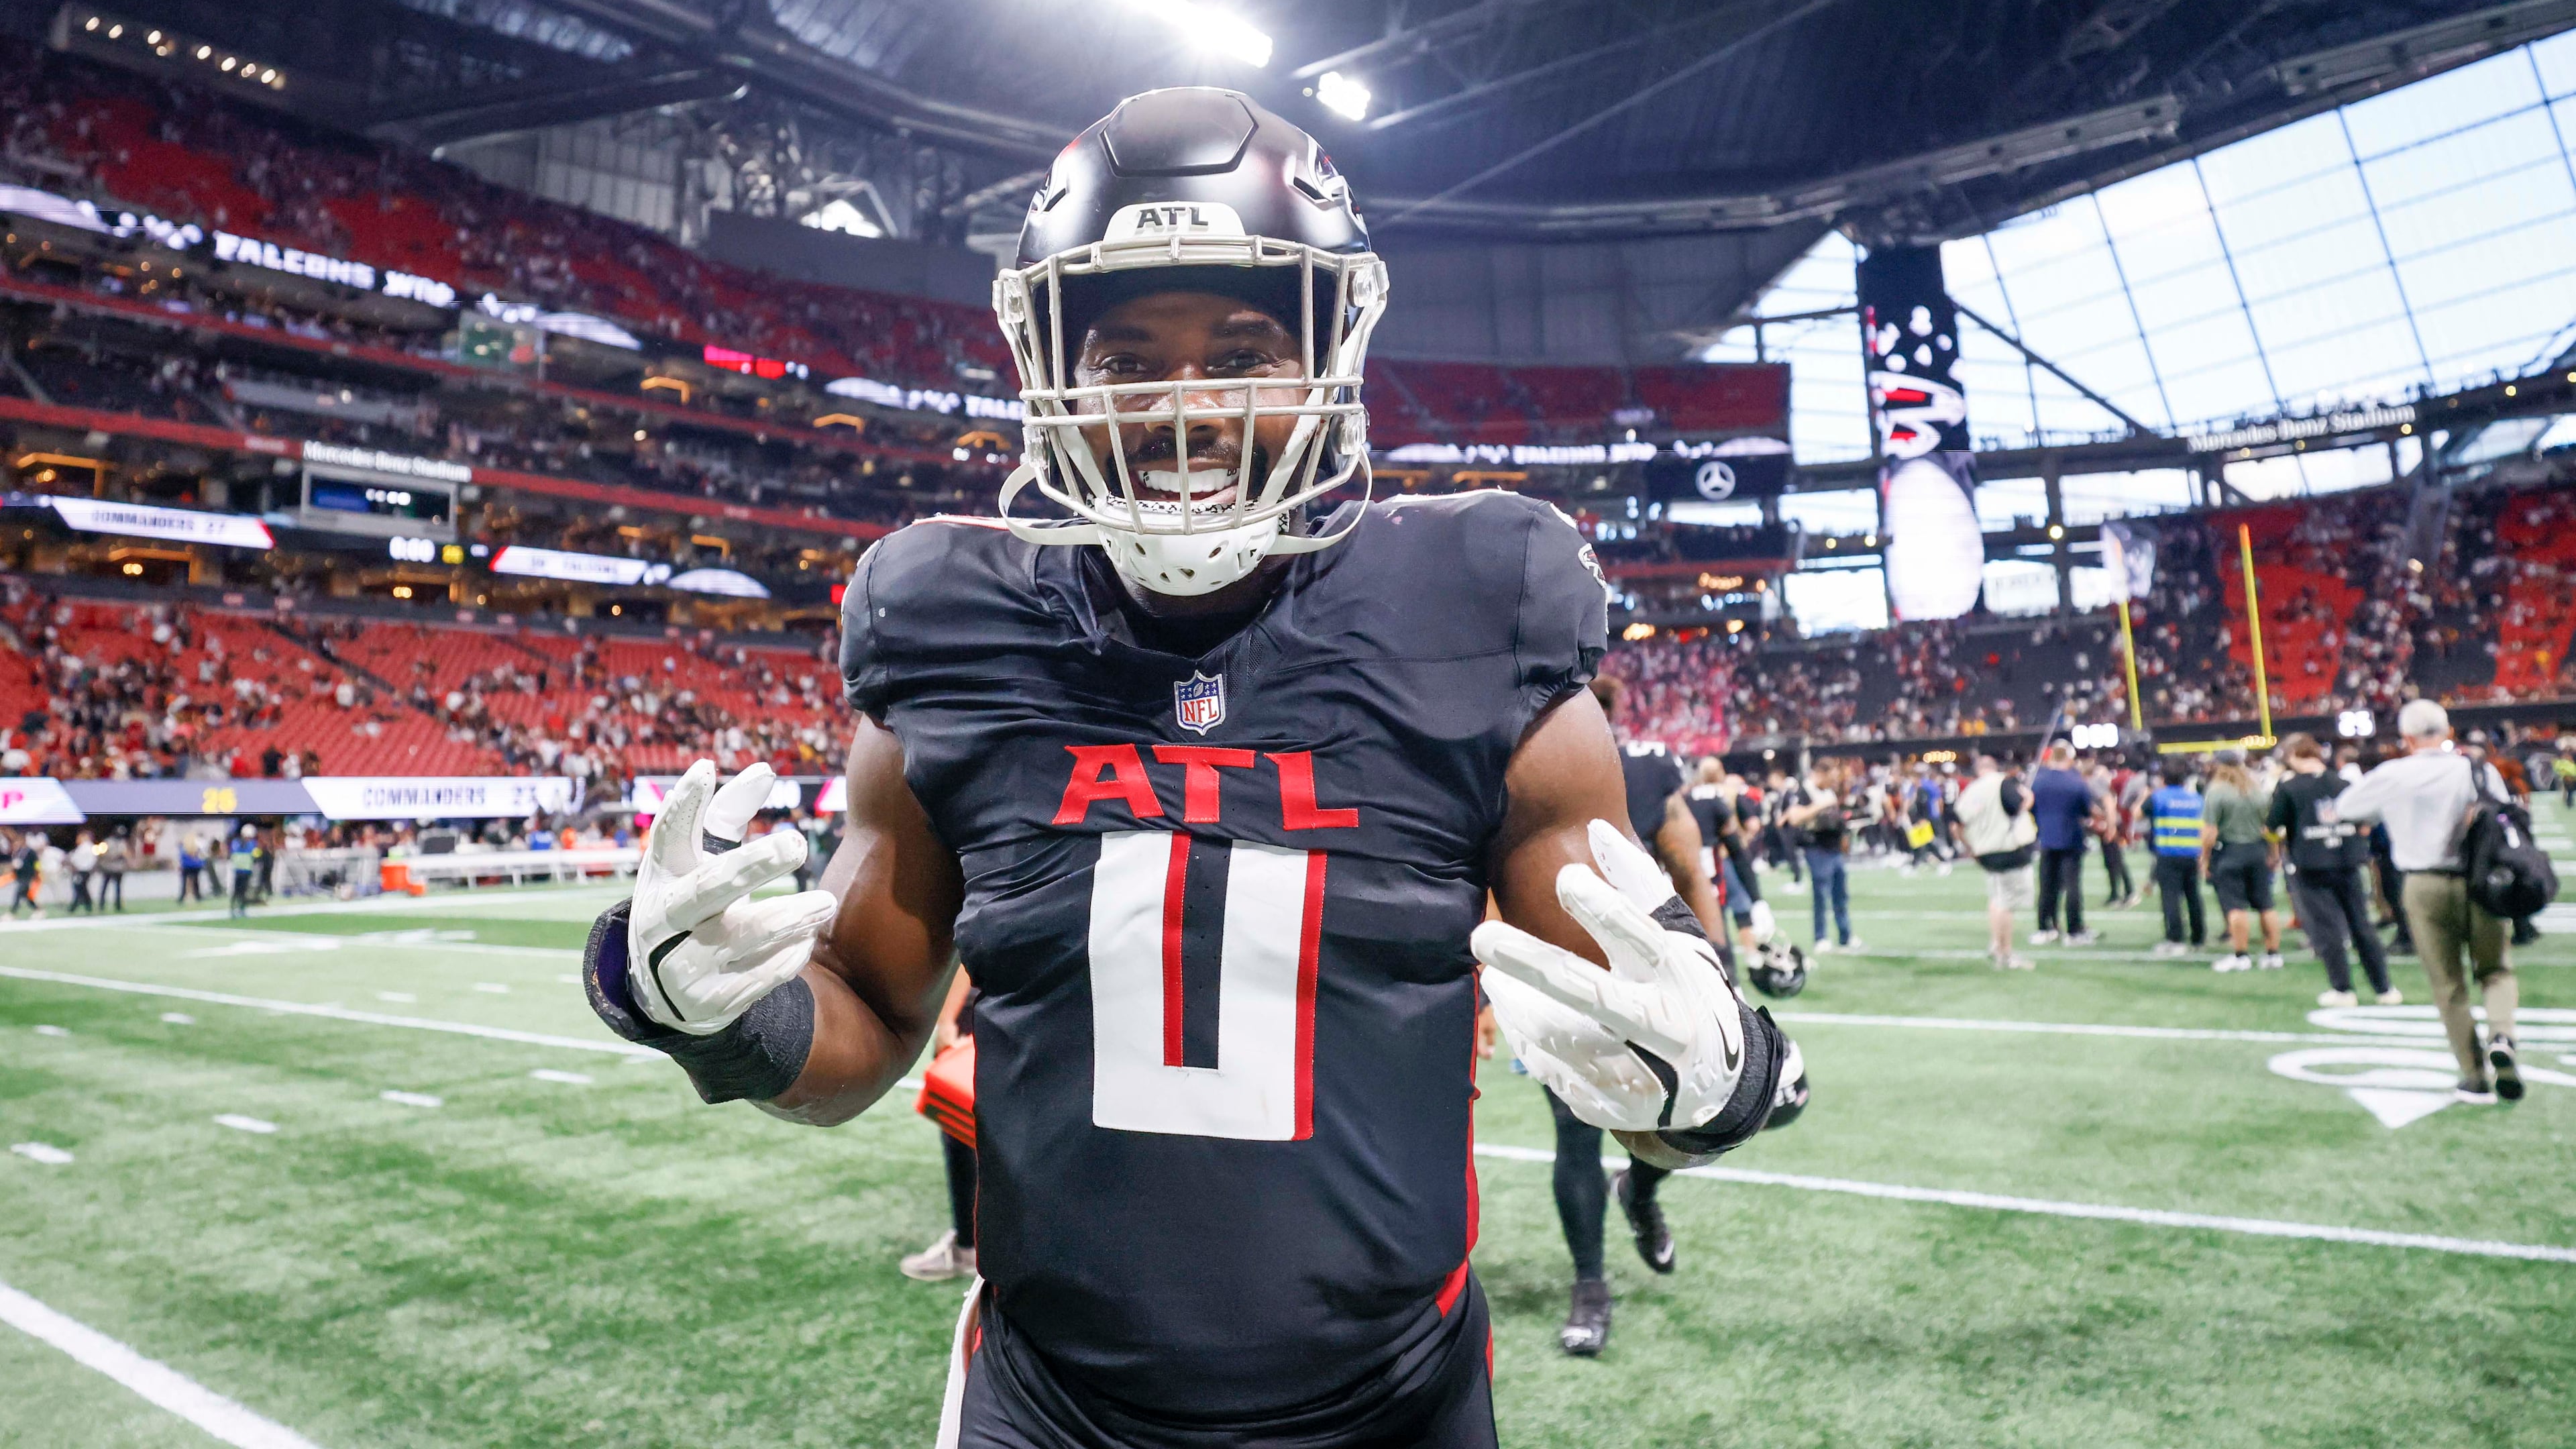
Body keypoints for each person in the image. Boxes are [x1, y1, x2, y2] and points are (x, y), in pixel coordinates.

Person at [580, 88, 1790, 1448]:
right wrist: (707, 1015)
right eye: (1128, 358)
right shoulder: (949, 621)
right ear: (1052, 370)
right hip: (1056, 1406)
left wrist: (1716, 1083)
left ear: (1331, 350)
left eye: (1242, 349)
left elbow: (1636, 1053)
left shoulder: (1475, 604)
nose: (1184, 406)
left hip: (1392, 1404)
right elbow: (858, 1022)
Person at [2334, 700, 2520, 1105]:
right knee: (2496, 971)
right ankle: (2502, 1034)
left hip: (2424, 882)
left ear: (2406, 738)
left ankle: (2474, 1075)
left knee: (2448, 985)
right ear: (2448, 730)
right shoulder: (2476, 769)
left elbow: (2345, 809)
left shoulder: (2394, 773)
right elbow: (2506, 816)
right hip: (2481, 882)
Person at [2267, 733, 2398, 1007]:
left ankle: (2342, 989)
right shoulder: (2343, 783)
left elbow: (2272, 827)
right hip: (2347, 860)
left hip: (2310, 864)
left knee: (2328, 929)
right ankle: (2384, 988)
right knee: (2361, 925)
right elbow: (2367, 820)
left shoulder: (2289, 788)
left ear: (2292, 756)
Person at [902, 968, 982, 1284]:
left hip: (986, 995)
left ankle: (968, 1246)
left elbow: (967, 941)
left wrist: (947, 1019)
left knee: (960, 1116)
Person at [1951, 753, 2037, 970]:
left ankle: (1996, 944)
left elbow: (1956, 825)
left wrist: (1970, 848)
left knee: (1997, 898)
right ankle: (2005, 953)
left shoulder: (1971, 791)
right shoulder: (2004, 784)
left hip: (1986, 853)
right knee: (2007, 903)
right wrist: (2028, 797)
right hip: (2009, 850)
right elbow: (2019, 807)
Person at [2201, 751, 2282, 973]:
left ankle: (2241, 955)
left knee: (2236, 907)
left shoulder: (2217, 792)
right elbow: (2269, 828)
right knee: (2266, 904)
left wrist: (2204, 858)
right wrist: (2274, 853)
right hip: (2258, 851)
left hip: (2230, 852)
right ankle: (2273, 954)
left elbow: (2210, 831)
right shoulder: (2258, 791)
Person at [2028, 742, 2098, 945]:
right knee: (2072, 887)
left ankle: (2045, 927)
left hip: (2046, 840)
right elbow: (2086, 810)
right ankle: (2074, 930)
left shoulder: (2038, 781)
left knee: (2047, 886)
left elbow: (2031, 808)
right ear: (2070, 758)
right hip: (2072, 839)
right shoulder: (2076, 781)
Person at [1784, 763, 1857, 951]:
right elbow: (1794, 818)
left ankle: (1845, 935)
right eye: (1831, 776)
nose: (1834, 781)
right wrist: (1820, 806)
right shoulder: (1804, 792)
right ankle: (1821, 937)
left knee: (1841, 895)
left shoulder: (1829, 793)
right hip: (1817, 848)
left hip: (1834, 849)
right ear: (1820, 774)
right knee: (1821, 896)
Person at [2145, 759, 2207, 957]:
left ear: (2163, 778)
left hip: (2168, 853)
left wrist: (2147, 794)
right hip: (2192, 853)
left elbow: (2137, 814)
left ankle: (2175, 938)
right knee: (2193, 896)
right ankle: (2199, 936)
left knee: (2171, 897)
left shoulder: (2159, 797)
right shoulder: (2196, 798)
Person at [6, 828, 40, 919]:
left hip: (28, 875)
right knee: (26, 895)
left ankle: (12, 913)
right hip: (20, 875)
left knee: (18, 892)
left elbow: (37, 863)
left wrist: (37, 874)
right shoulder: (18, 852)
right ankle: (38, 910)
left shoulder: (30, 852)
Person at [228, 823, 259, 920]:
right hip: (238, 870)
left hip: (247, 870)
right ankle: (233, 909)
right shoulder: (237, 842)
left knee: (244, 892)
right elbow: (234, 852)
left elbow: (255, 855)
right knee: (236, 891)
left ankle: (242, 909)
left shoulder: (252, 844)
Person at [66, 830, 97, 915]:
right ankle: (85, 905)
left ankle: (81, 905)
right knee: (81, 888)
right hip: (82, 871)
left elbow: (76, 859)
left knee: (80, 888)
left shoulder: (86, 847)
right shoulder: (85, 847)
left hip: (83, 871)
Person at [98, 829, 129, 912]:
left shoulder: (122, 842)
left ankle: (118, 906)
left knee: (118, 888)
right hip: (108, 867)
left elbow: (125, 854)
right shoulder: (107, 842)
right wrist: (115, 856)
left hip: (119, 868)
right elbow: (103, 854)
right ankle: (101, 905)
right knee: (105, 887)